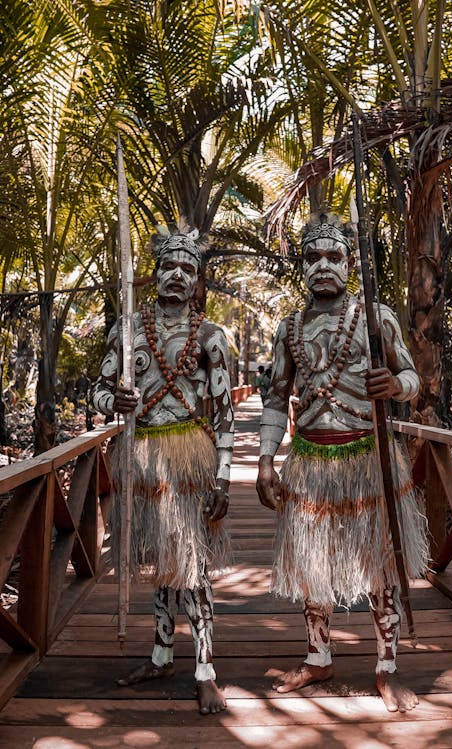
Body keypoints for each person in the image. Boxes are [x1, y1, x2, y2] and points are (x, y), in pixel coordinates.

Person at [256, 213, 428, 713]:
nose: (324, 265)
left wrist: (396, 386)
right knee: (312, 568)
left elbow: (413, 378)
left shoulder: (377, 317)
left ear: (351, 264)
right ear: (302, 266)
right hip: (310, 461)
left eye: (334, 256)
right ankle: (318, 656)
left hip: (369, 461)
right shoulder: (289, 328)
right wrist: (266, 461)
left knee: (380, 567)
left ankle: (386, 666)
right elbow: (274, 399)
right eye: (313, 257)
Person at [93, 226, 234, 714]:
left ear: (197, 280)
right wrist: (117, 399)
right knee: (158, 561)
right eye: (168, 266)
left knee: (192, 566)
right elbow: (97, 392)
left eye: (188, 269)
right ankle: (160, 653)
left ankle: (205, 669)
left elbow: (224, 415)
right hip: (141, 464)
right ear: (153, 273)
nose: (177, 275)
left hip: (189, 463)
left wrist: (223, 478)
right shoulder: (126, 329)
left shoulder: (212, 337)